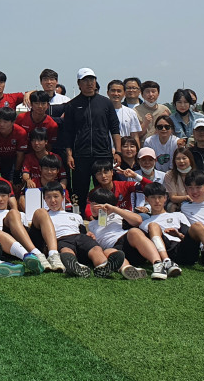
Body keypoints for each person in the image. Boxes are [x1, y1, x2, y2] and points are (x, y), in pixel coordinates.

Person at [58, 68, 121, 212]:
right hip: (81, 154)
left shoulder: (106, 103)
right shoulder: (72, 105)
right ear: (79, 83)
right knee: (80, 189)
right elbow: (68, 132)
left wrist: (118, 151)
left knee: (105, 187)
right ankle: (79, 216)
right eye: (85, 80)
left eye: (92, 79)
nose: (89, 83)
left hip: (103, 153)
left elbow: (114, 128)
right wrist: (69, 155)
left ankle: (108, 216)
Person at [0, 180, 58, 277]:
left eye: (3, 196)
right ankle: (33, 254)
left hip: (24, 241)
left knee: (35, 212)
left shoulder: (21, 215)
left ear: (9, 196)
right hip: (3, 244)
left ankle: (52, 255)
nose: (0, 199)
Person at [84, 187, 163, 279]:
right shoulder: (92, 224)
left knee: (134, 232)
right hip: (115, 249)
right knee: (108, 252)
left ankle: (157, 264)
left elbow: (138, 220)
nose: (93, 208)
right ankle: (127, 269)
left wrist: (114, 209)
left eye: (97, 205)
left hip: (129, 243)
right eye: (92, 204)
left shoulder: (120, 213)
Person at [38, 182, 99, 277]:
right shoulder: (44, 216)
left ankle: (102, 265)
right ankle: (74, 266)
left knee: (95, 248)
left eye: (56, 196)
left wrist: (88, 234)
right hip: (61, 239)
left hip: (79, 237)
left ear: (63, 197)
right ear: (44, 199)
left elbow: (83, 232)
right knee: (65, 250)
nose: (53, 200)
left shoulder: (76, 216)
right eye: (48, 197)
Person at [136, 181, 192, 278]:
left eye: (160, 197)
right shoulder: (144, 224)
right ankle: (166, 261)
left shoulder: (178, 215)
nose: (157, 201)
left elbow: (189, 238)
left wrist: (178, 235)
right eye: (153, 197)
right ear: (146, 199)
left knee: (197, 226)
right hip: (164, 250)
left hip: (182, 249)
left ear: (165, 198)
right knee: (153, 225)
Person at [0, 108, 27, 183]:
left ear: (13, 122)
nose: (1, 124)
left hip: (11, 160)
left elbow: (20, 155)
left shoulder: (21, 133)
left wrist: (16, 173)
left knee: (11, 182)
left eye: (5, 122)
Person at [107, 80, 143, 148]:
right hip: (106, 150)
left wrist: (137, 152)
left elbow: (135, 136)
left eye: (119, 91)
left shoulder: (131, 112)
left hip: (126, 151)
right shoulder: (101, 112)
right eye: (113, 91)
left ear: (124, 93)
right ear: (108, 93)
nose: (116, 94)